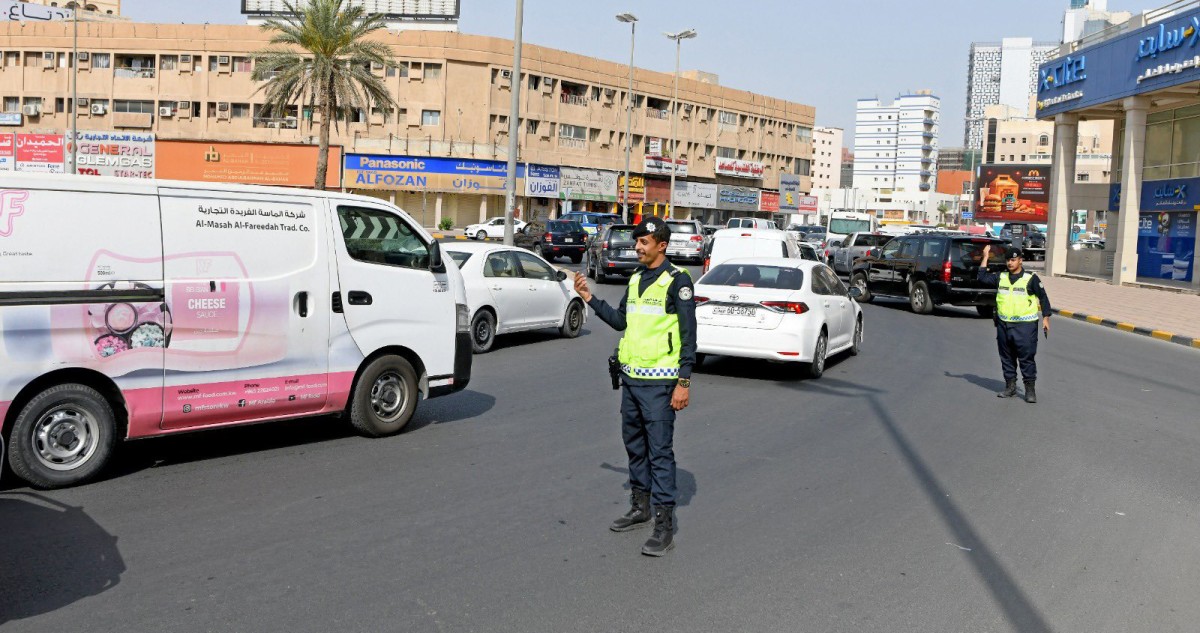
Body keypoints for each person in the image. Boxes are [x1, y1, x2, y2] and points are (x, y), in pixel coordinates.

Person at [573, 217, 696, 557]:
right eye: (637, 241)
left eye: (644, 242)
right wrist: (589, 297)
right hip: (632, 381)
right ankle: (640, 507)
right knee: (635, 447)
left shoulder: (678, 282)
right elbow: (620, 321)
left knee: (660, 453)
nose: (637, 247)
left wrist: (683, 382)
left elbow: (689, 337)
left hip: (660, 385)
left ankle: (664, 525)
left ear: (661, 245)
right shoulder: (637, 278)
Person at [979, 244, 1052, 403]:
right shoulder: (1001, 277)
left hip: (1025, 326)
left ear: (1020, 261)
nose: (1010, 263)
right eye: (1008, 260)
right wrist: (985, 257)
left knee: (1026, 358)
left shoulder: (1030, 278)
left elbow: (1043, 297)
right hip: (1003, 325)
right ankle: (1010, 387)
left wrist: (1046, 318)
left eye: (1013, 260)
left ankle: (1030, 390)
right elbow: (982, 278)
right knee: (1006, 357)